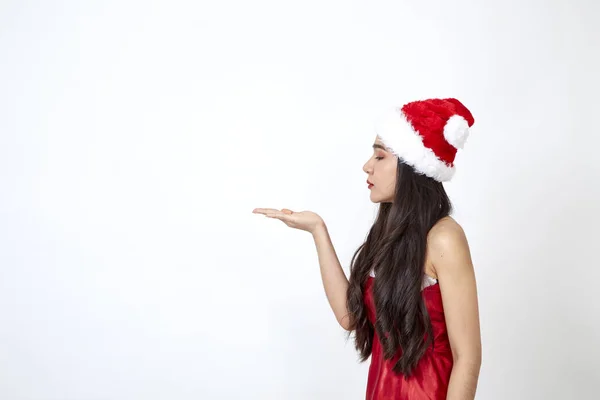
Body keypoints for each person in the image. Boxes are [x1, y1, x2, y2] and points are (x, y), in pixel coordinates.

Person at [253, 98, 481, 400]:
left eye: (380, 156)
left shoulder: (444, 238)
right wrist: (318, 231)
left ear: (412, 167)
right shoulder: (388, 235)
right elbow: (350, 317)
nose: (367, 166)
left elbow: (467, 357)